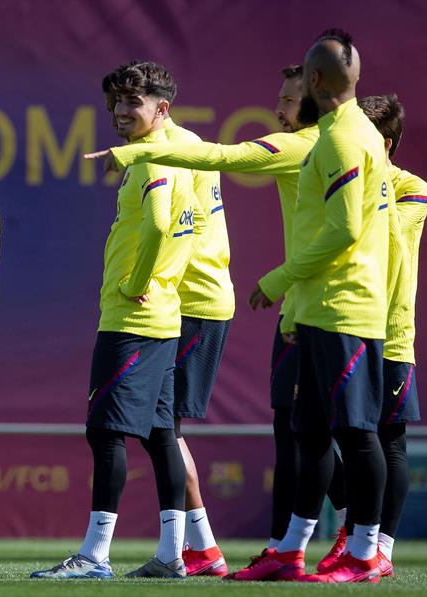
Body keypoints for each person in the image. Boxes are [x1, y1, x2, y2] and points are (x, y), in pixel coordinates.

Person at [87, 63, 347, 570]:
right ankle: (201, 546)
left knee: (165, 429)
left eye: (289, 99)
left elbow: (175, 220)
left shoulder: (171, 150)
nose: (279, 108)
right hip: (190, 299)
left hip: (190, 302)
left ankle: (356, 531)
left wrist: (142, 283)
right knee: (171, 429)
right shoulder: (181, 144)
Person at [32, 61, 199, 580]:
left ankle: (95, 555)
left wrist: (135, 282)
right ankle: (172, 553)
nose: (120, 112)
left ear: (161, 108)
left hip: (134, 319)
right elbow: (188, 227)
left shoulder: (152, 158)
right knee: (160, 435)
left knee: (105, 433)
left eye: (132, 102)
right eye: (115, 103)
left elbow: (158, 224)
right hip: (163, 316)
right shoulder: (180, 151)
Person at [237, 30, 391, 583]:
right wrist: (296, 306)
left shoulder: (344, 139)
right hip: (318, 309)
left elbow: (344, 230)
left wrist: (279, 279)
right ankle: (290, 550)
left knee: (357, 433)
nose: (287, 97)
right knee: (310, 433)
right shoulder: (335, 133)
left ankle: (364, 553)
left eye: (299, 81)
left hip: (345, 309)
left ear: (315, 81)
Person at [324, 94, 427, 579]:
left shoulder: (413, 189)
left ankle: (380, 548)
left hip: (390, 330)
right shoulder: (341, 178)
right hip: (339, 322)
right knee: (310, 426)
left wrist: (367, 181)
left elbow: (383, 236)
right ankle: (353, 525)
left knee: (389, 440)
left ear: (384, 143)